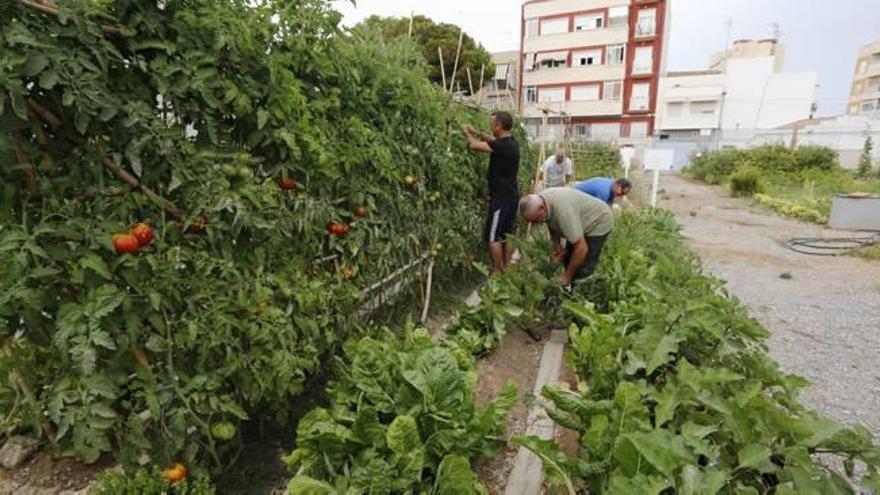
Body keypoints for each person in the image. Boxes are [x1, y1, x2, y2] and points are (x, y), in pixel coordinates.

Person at [462, 111, 520, 274]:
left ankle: (496, 271)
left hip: (501, 198)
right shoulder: (512, 142)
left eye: (492, 122)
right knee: (509, 233)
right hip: (512, 195)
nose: (490, 124)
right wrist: (477, 132)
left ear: (499, 125)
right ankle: (506, 267)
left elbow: (474, 146)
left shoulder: (501, 146)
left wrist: (467, 133)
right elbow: (493, 140)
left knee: (492, 235)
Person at [519, 188, 613, 285]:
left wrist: (567, 277)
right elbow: (550, 221)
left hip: (599, 220)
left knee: (583, 266)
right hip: (579, 220)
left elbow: (581, 248)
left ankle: (582, 292)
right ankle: (569, 286)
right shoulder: (542, 200)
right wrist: (557, 247)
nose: (535, 224)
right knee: (569, 260)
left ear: (542, 207)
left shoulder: (564, 213)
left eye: (536, 220)